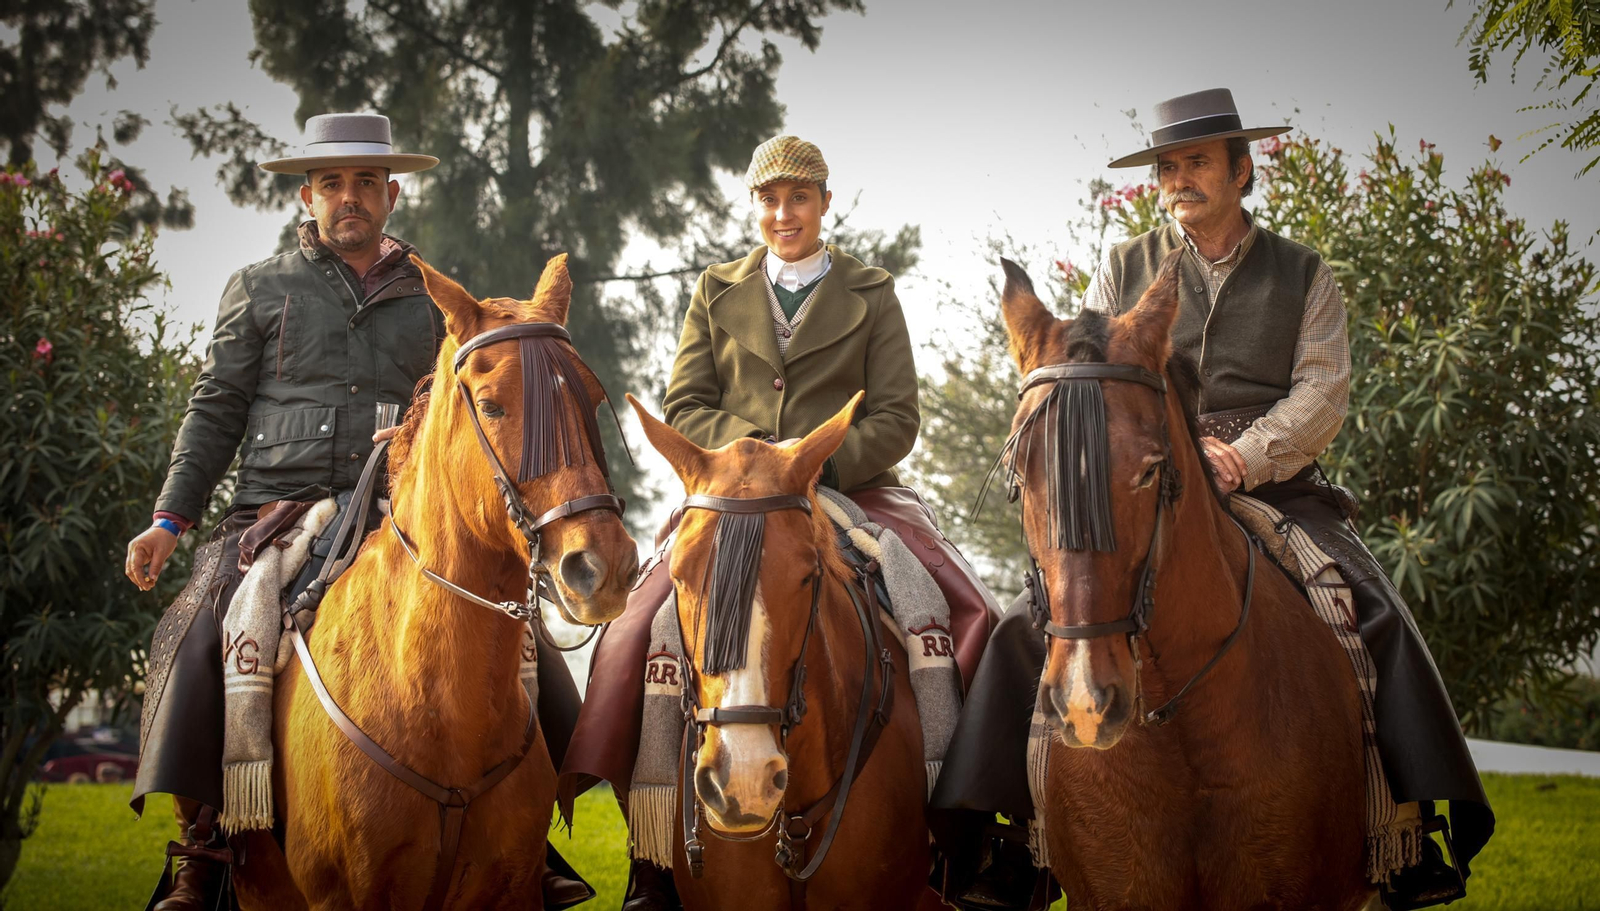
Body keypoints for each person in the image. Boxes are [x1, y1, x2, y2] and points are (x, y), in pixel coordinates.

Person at [932, 88, 1494, 910]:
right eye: (1167, 164)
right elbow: (1098, 378)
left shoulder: (1305, 272)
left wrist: (1246, 455)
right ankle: (1007, 841)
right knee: (1029, 620)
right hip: (1140, 475)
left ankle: (1410, 832)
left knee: (1369, 604)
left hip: (1275, 481)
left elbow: (1323, 391)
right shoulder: (1125, 263)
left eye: (1196, 161)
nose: (1178, 177)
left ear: (1241, 169)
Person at [126, 112, 588, 910]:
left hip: (394, 513)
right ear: (307, 195)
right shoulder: (258, 287)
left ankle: (524, 834)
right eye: (333, 184)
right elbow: (215, 408)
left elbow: (461, 417)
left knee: (517, 633)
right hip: (274, 514)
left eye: (366, 184)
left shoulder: (434, 297)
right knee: (210, 625)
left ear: (392, 194)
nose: (350, 198)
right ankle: (204, 845)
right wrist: (170, 519)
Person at [557, 135, 1002, 910]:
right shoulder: (714, 287)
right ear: (754, 207)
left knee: (965, 609)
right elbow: (686, 404)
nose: (783, 212)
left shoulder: (874, 289)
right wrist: (753, 459)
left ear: (825, 204)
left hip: (848, 486)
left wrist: (814, 460)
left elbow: (897, 417)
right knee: (636, 628)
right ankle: (651, 858)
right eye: (769, 198)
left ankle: (965, 837)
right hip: (729, 492)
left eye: (799, 197)